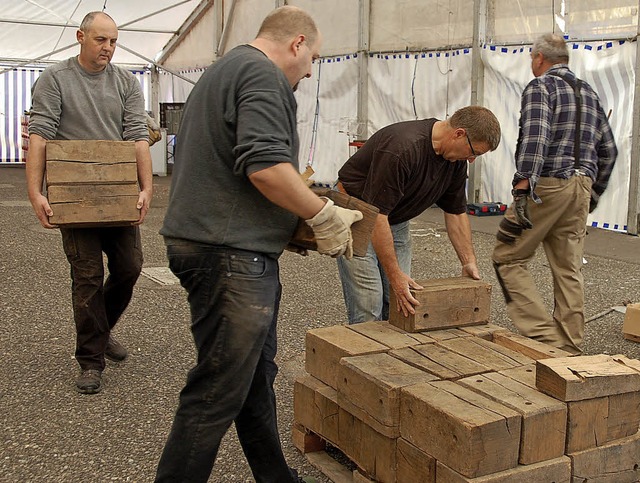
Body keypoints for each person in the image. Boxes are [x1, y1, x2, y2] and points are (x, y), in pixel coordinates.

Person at [155, 6, 361, 483]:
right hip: (229, 255)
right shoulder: (264, 75)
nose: (310, 72)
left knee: (250, 377)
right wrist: (321, 213)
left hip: (211, 244)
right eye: (313, 58)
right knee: (217, 389)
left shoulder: (224, 69)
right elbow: (265, 166)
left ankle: (275, 477)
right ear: (297, 44)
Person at [26, 11, 153, 394]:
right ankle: (91, 361)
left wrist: (146, 188)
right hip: (74, 194)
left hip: (117, 192)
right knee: (87, 278)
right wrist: (36, 192)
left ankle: (101, 328)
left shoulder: (127, 82)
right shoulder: (55, 79)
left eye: (113, 41)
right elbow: (40, 136)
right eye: (101, 40)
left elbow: (138, 137)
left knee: (130, 268)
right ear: (81, 37)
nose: (108, 48)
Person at [492, 33, 617, 355]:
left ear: (538, 58)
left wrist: (522, 187)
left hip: (546, 186)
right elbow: (609, 150)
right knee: (568, 268)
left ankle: (545, 340)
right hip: (581, 188)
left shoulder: (541, 87)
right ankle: (570, 346)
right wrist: (593, 194)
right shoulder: (589, 92)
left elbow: (536, 138)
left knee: (508, 257)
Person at [336, 106, 502, 324]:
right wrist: (394, 276)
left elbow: (455, 212)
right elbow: (377, 216)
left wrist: (468, 261)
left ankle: (392, 356)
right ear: (459, 134)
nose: (472, 160)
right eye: (474, 152)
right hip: (358, 218)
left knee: (400, 299)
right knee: (368, 306)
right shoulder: (402, 148)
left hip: (393, 220)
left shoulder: (455, 161)